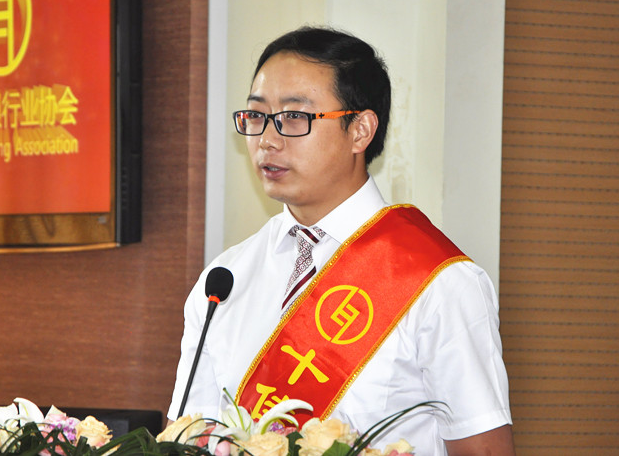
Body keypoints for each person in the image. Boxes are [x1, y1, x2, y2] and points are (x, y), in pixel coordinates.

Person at [168, 26, 515, 456]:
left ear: (360, 130)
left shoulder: (438, 281)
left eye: (294, 117)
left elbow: (482, 448)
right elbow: (186, 439)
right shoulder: (223, 280)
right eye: (256, 116)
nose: (267, 140)